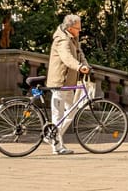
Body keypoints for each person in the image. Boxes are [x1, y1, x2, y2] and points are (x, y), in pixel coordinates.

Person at [46, 13, 90, 155]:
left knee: (71, 111)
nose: (80, 30)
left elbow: (80, 53)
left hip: (69, 82)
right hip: (60, 81)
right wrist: (78, 67)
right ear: (70, 28)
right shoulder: (62, 39)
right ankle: (57, 146)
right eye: (78, 28)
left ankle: (51, 135)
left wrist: (86, 66)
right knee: (57, 116)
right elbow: (66, 57)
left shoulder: (73, 37)